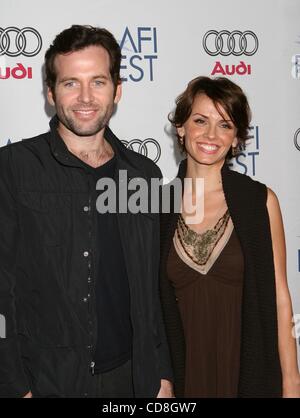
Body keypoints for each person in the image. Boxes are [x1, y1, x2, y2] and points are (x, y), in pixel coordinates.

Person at [0, 25, 173, 398]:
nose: (85, 97)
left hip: (132, 379)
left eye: (97, 82)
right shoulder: (13, 167)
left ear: (117, 90)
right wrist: (14, 386)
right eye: (69, 83)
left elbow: (150, 290)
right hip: (47, 381)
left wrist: (162, 376)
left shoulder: (144, 175)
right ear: (50, 93)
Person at [159, 76, 300, 398]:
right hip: (183, 378)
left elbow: (280, 297)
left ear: (236, 137)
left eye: (225, 125)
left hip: (248, 374)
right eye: (200, 121)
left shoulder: (259, 202)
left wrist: (292, 382)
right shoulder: (158, 208)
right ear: (181, 127)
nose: (211, 135)